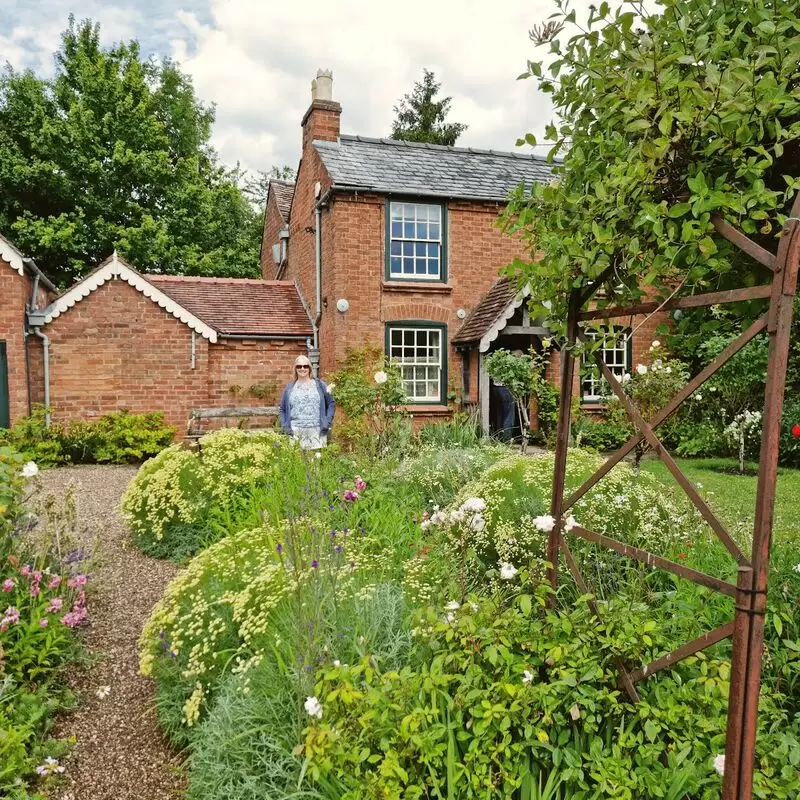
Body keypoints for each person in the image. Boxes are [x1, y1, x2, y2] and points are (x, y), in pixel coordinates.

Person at [279, 355, 335, 449]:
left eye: (305, 366)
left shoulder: (320, 385)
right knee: (297, 462)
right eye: (299, 366)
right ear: (295, 369)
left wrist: (327, 421)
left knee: (316, 461)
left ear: (309, 368)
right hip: (296, 432)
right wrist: (285, 426)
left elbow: (331, 403)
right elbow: (282, 409)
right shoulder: (289, 388)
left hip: (317, 432)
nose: (302, 368)